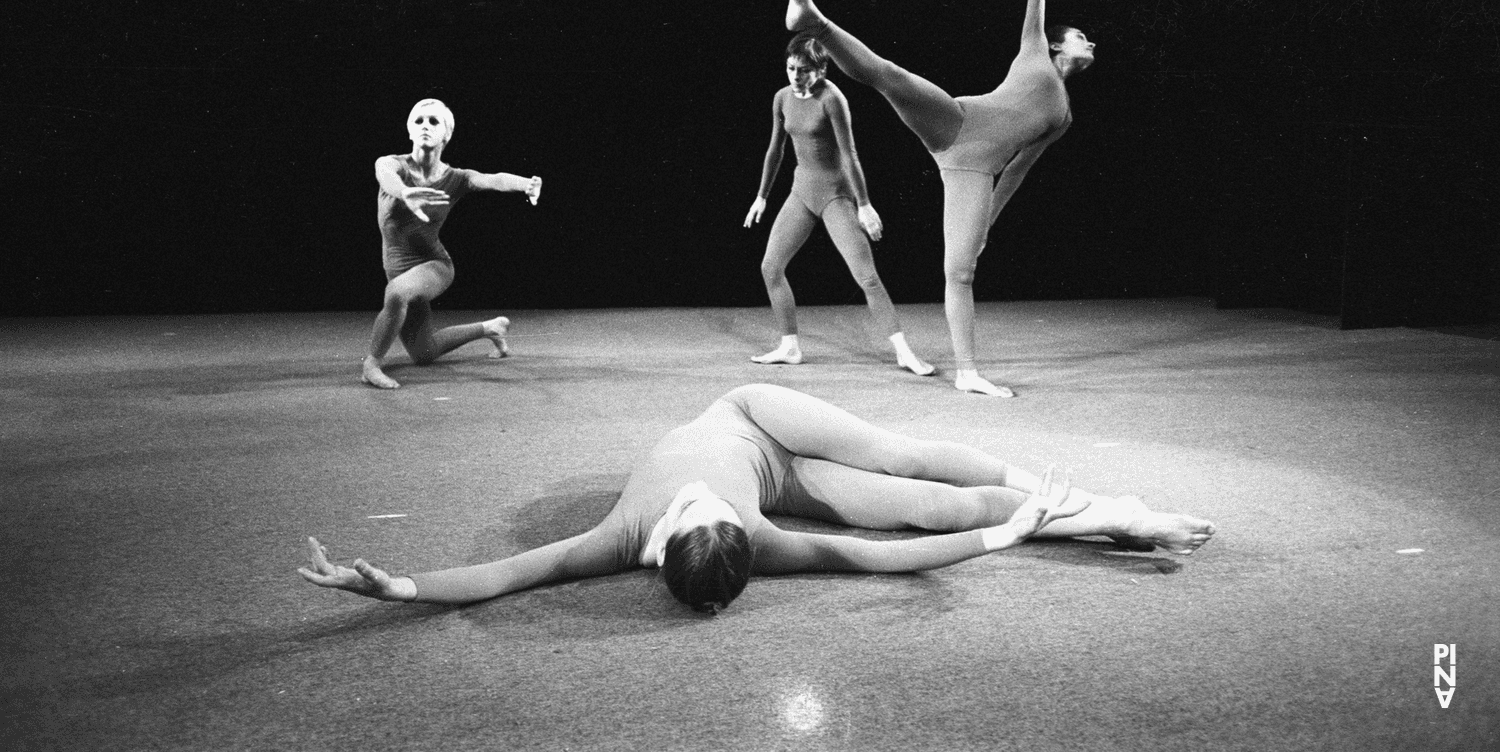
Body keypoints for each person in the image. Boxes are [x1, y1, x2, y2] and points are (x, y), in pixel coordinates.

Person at [300, 383, 1214, 612]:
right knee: (929, 509)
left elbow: (505, 574)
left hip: (755, 414)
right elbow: (881, 557)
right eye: (713, 513)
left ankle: (1083, 499)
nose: (706, 501)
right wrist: (1002, 540)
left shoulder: (622, 534)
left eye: (712, 513)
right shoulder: (743, 541)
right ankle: (1113, 516)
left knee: (903, 457)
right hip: (785, 477)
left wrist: (399, 586)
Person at [780, 0, 1095, 396]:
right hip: (956, 120)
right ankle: (814, 22)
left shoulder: (1064, 116)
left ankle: (967, 373)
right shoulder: (1034, 50)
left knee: (960, 271)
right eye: (1081, 37)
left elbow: (1018, 168)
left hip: (974, 171)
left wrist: (987, 221)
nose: (1090, 44)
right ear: (1056, 44)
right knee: (890, 76)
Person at [743, 33, 934, 375]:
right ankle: (789, 346)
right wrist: (762, 196)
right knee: (770, 266)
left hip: (835, 194)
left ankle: (904, 352)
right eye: (790, 68)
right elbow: (776, 151)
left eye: (804, 70)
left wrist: (864, 205)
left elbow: (850, 156)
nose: (795, 76)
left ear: (821, 69)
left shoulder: (833, 100)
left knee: (866, 277)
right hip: (802, 192)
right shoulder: (782, 98)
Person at [361, 98, 542, 390]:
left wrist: (526, 184)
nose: (425, 127)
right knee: (424, 352)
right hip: (398, 270)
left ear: (446, 134)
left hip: (435, 266)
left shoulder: (456, 179)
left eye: (434, 121)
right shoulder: (391, 164)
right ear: (408, 130)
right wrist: (406, 192)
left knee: (395, 293)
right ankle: (490, 328)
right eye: (418, 121)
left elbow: (492, 179)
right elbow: (385, 176)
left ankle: (371, 364)